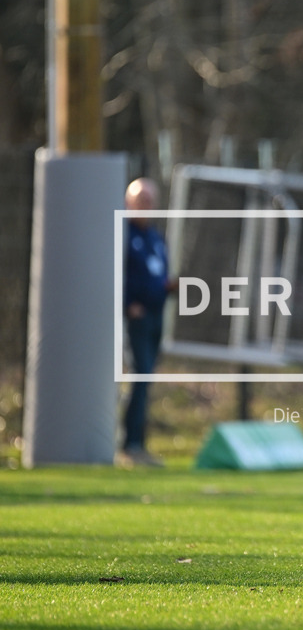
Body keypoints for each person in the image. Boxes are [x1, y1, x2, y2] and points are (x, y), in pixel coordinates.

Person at [121, 177, 176, 467]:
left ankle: (139, 443)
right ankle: (130, 445)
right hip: (135, 320)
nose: (146, 206)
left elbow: (155, 276)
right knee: (138, 376)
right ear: (128, 202)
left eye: (150, 201)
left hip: (156, 317)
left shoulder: (156, 238)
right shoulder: (123, 235)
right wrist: (128, 304)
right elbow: (119, 274)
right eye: (140, 200)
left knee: (146, 378)